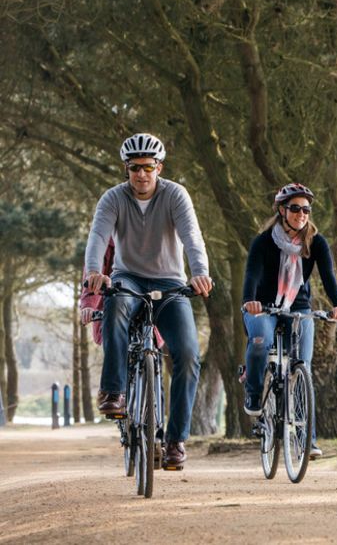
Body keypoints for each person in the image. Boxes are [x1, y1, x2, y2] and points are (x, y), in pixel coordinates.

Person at [83, 133, 213, 471]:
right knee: (114, 309)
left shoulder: (175, 195)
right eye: (134, 168)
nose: (141, 174)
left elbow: (192, 237)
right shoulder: (113, 198)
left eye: (148, 167)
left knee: (187, 354)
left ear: (160, 167)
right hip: (128, 277)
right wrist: (96, 272)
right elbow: (98, 237)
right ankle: (114, 392)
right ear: (126, 169)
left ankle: (175, 441)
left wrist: (199, 273)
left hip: (170, 282)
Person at [240, 183, 337, 460]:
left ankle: (307, 440)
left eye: (306, 209)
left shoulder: (316, 242)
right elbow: (251, 275)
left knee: (303, 369)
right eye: (295, 208)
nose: (301, 214)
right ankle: (253, 393)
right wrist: (249, 301)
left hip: (297, 306)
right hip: (262, 306)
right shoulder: (263, 241)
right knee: (259, 343)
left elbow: (328, 277)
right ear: (282, 210)